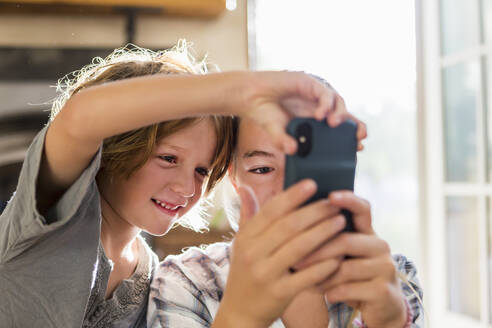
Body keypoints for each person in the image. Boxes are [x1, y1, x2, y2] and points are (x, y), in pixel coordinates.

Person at [0, 41, 350, 327]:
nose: (187, 188)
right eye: (168, 158)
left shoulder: (153, 277)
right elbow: (79, 116)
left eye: (202, 170)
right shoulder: (48, 218)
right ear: (114, 143)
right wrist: (237, 92)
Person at [147, 117, 424, 327]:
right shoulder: (187, 284)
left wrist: (390, 322)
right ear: (234, 178)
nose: (287, 190)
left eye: (307, 167)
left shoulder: (393, 279)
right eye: (263, 169)